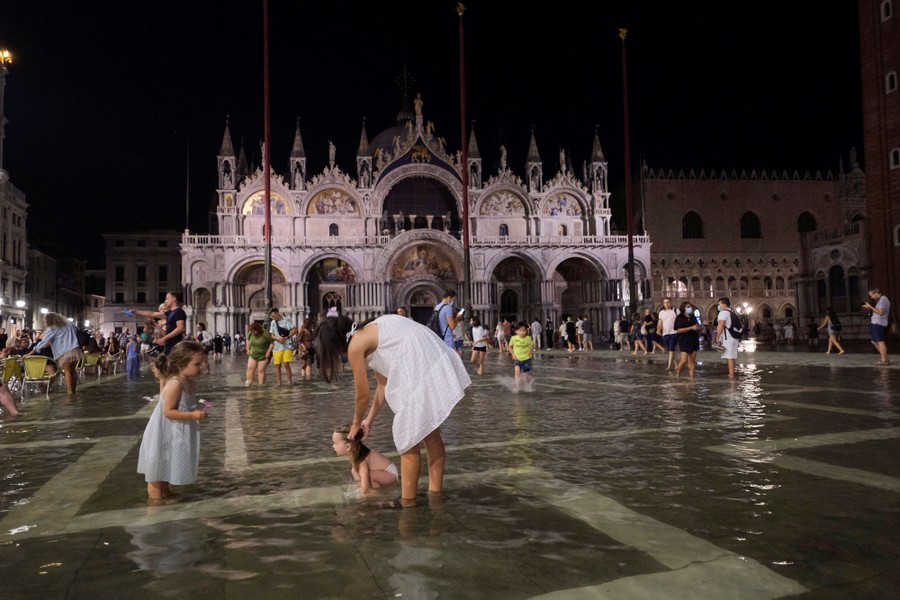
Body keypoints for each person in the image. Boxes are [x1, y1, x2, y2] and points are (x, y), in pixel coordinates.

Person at [315, 312, 471, 507]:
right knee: (430, 435)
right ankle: (435, 494)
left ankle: (407, 502)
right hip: (427, 353)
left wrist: (356, 424)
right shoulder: (370, 330)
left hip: (417, 360)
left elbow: (362, 396)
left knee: (407, 439)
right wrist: (368, 421)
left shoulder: (355, 345)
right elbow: (382, 384)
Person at [136, 342, 208, 501]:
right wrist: (192, 416)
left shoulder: (190, 383)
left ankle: (166, 493)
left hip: (175, 430)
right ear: (182, 364)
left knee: (167, 461)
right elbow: (167, 412)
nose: (201, 367)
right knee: (158, 465)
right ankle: (155, 502)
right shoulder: (175, 384)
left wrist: (194, 414)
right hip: (163, 431)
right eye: (197, 364)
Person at [332, 423, 399, 495]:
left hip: (391, 474)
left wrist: (362, 495)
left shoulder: (362, 460)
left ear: (348, 447)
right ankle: (375, 489)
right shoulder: (357, 454)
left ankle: (378, 497)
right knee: (355, 472)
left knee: (364, 479)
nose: (333, 446)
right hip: (384, 473)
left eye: (335, 443)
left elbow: (364, 479)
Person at [28, 312, 84, 395]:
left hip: (65, 351)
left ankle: (69, 393)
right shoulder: (70, 323)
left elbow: (43, 342)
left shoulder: (53, 328)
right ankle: (73, 390)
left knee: (67, 371)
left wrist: (31, 353)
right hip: (76, 349)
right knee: (72, 371)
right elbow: (77, 332)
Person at [268, 307, 297, 385]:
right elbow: (271, 335)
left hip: (287, 345)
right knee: (277, 365)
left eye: (273, 316)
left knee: (286, 363)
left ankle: (289, 381)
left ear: (277, 313)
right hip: (277, 346)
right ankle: (279, 383)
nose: (272, 318)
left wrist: (286, 337)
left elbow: (294, 330)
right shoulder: (273, 322)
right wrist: (278, 338)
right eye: (271, 316)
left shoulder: (287, 320)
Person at [863, 288, 891, 365]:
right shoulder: (880, 300)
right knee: (874, 341)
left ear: (876, 293)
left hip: (879, 323)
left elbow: (880, 312)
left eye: (872, 295)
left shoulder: (883, 299)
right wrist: (870, 308)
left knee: (880, 341)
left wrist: (870, 307)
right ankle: (885, 358)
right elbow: (877, 311)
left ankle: (884, 361)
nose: (871, 297)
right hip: (875, 323)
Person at [673, 302, 700, 378]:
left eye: (690, 306)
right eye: (688, 307)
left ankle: (691, 377)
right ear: (683, 308)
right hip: (684, 340)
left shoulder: (693, 317)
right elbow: (679, 330)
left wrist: (699, 328)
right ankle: (678, 373)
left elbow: (697, 326)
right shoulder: (679, 318)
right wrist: (691, 328)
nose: (690, 308)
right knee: (684, 360)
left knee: (692, 360)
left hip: (694, 339)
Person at [716, 297, 739, 379]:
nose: (718, 306)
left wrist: (717, 336)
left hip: (727, 338)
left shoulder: (723, 313)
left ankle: (731, 377)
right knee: (732, 357)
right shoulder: (733, 312)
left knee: (729, 357)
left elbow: (721, 325)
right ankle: (733, 374)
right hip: (735, 338)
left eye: (719, 304)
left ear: (723, 304)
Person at [508, 321, 535, 392]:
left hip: (526, 359)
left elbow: (532, 345)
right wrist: (513, 354)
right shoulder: (514, 338)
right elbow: (510, 347)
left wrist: (531, 352)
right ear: (516, 331)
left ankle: (528, 385)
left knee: (526, 375)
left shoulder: (529, 338)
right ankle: (517, 387)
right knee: (517, 372)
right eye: (520, 330)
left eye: (524, 330)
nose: (522, 332)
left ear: (526, 330)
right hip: (517, 359)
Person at [245, 321, 273, 386]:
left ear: (258, 329)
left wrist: (268, 352)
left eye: (254, 331)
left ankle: (261, 386)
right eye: (251, 331)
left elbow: (271, 343)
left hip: (264, 355)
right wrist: (248, 349)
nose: (253, 333)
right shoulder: (250, 334)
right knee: (250, 369)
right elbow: (248, 340)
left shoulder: (266, 333)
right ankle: (249, 384)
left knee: (260, 370)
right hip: (253, 354)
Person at [657, 298, 679, 370]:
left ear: (671, 303)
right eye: (665, 303)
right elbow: (660, 322)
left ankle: (669, 366)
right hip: (665, 333)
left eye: (668, 302)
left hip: (674, 332)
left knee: (671, 349)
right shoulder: (661, 312)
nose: (666, 304)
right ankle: (677, 365)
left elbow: (680, 320)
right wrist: (658, 329)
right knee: (670, 350)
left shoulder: (675, 311)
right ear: (663, 304)